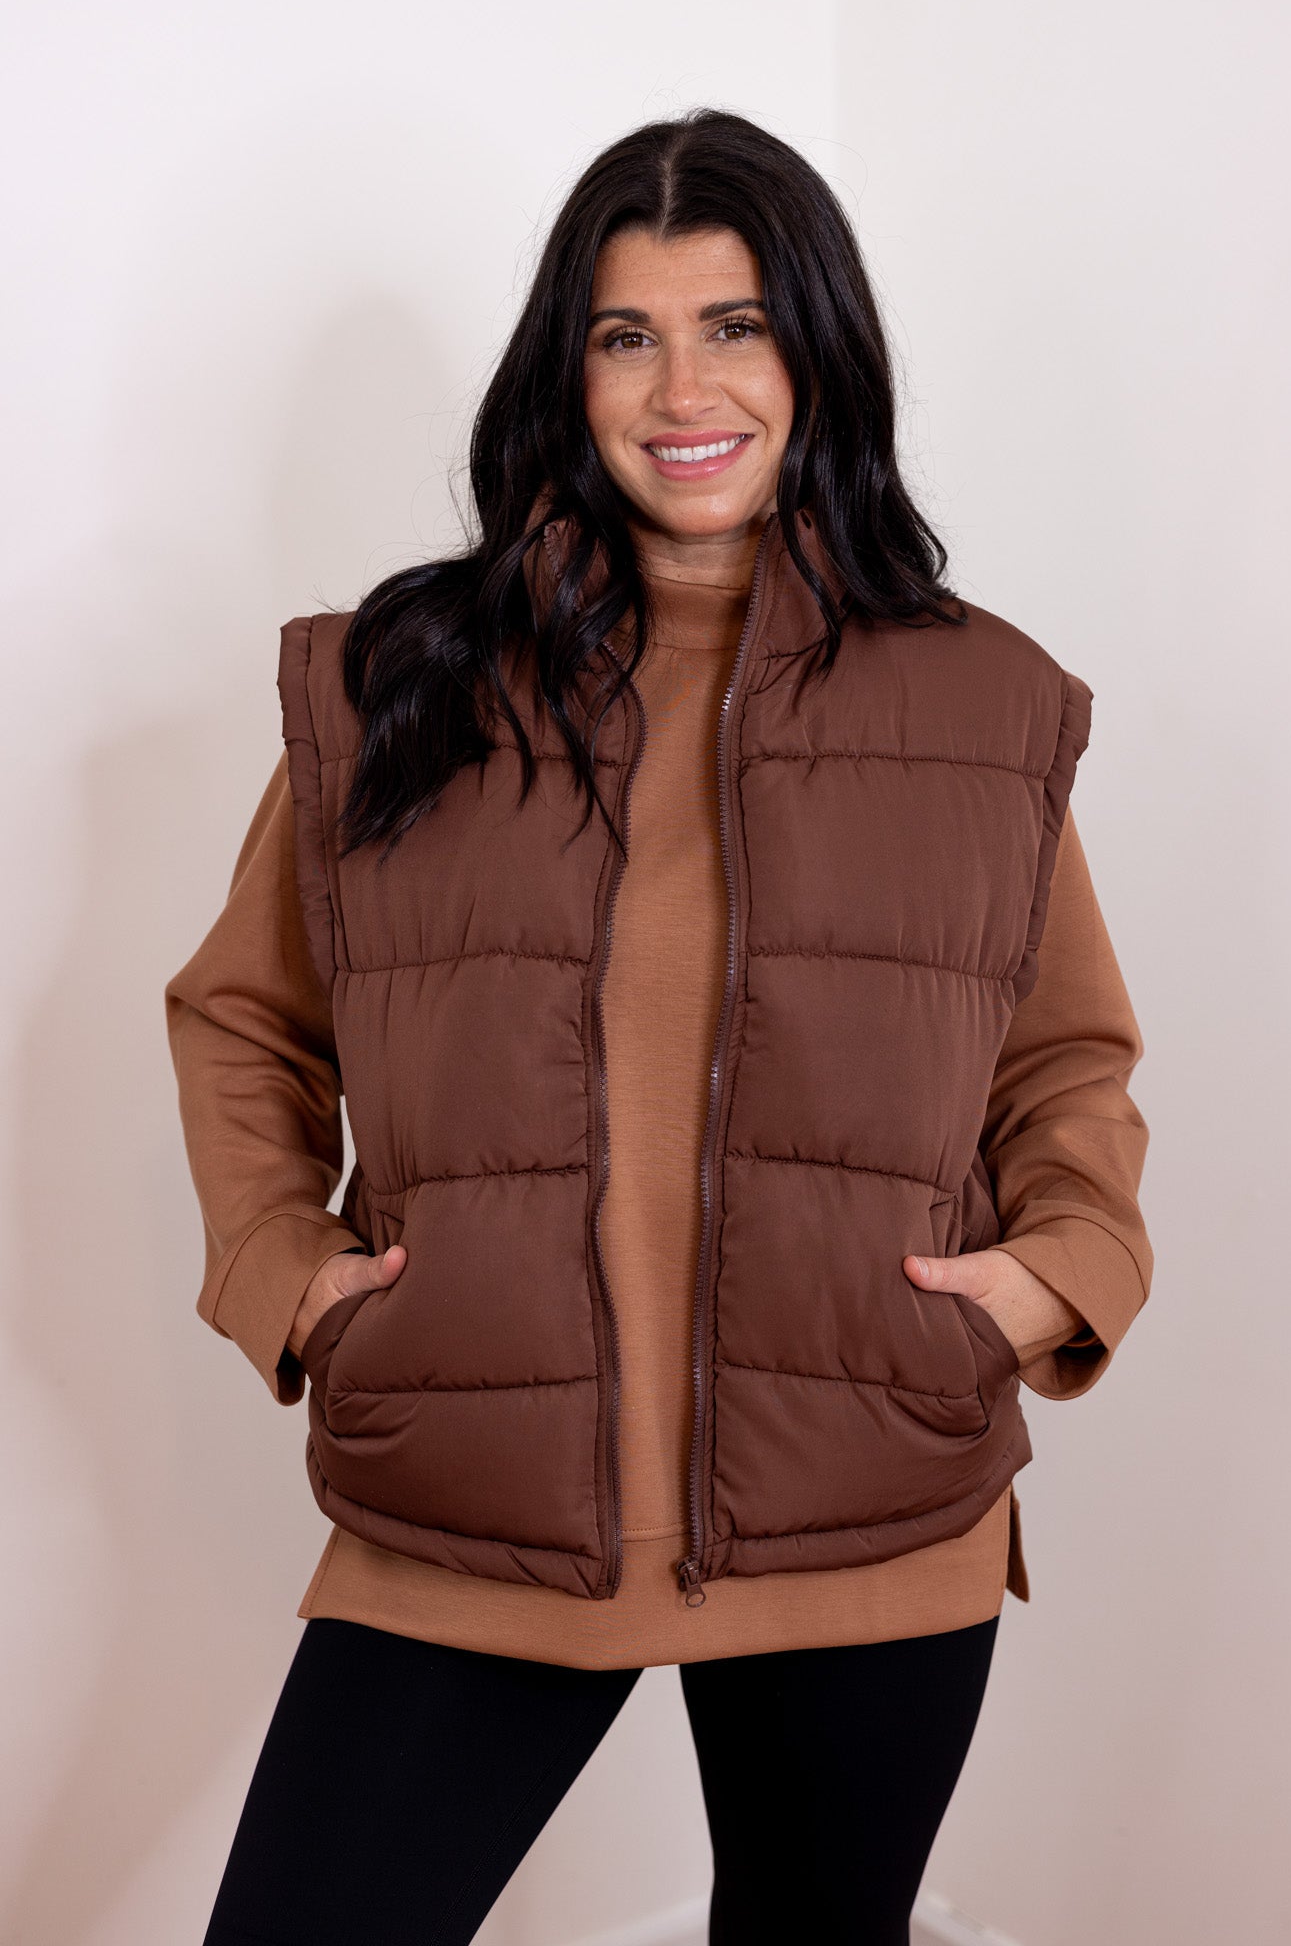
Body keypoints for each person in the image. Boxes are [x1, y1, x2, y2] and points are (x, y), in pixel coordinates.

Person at [165, 107, 1152, 1945]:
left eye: (736, 325)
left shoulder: (982, 704)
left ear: (817, 354)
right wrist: (287, 1278)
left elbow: (1058, 1059)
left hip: (870, 1493)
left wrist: (1061, 1272)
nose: (682, 388)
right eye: (627, 334)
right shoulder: (398, 686)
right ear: (570, 370)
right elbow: (242, 1020)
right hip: (469, 1497)